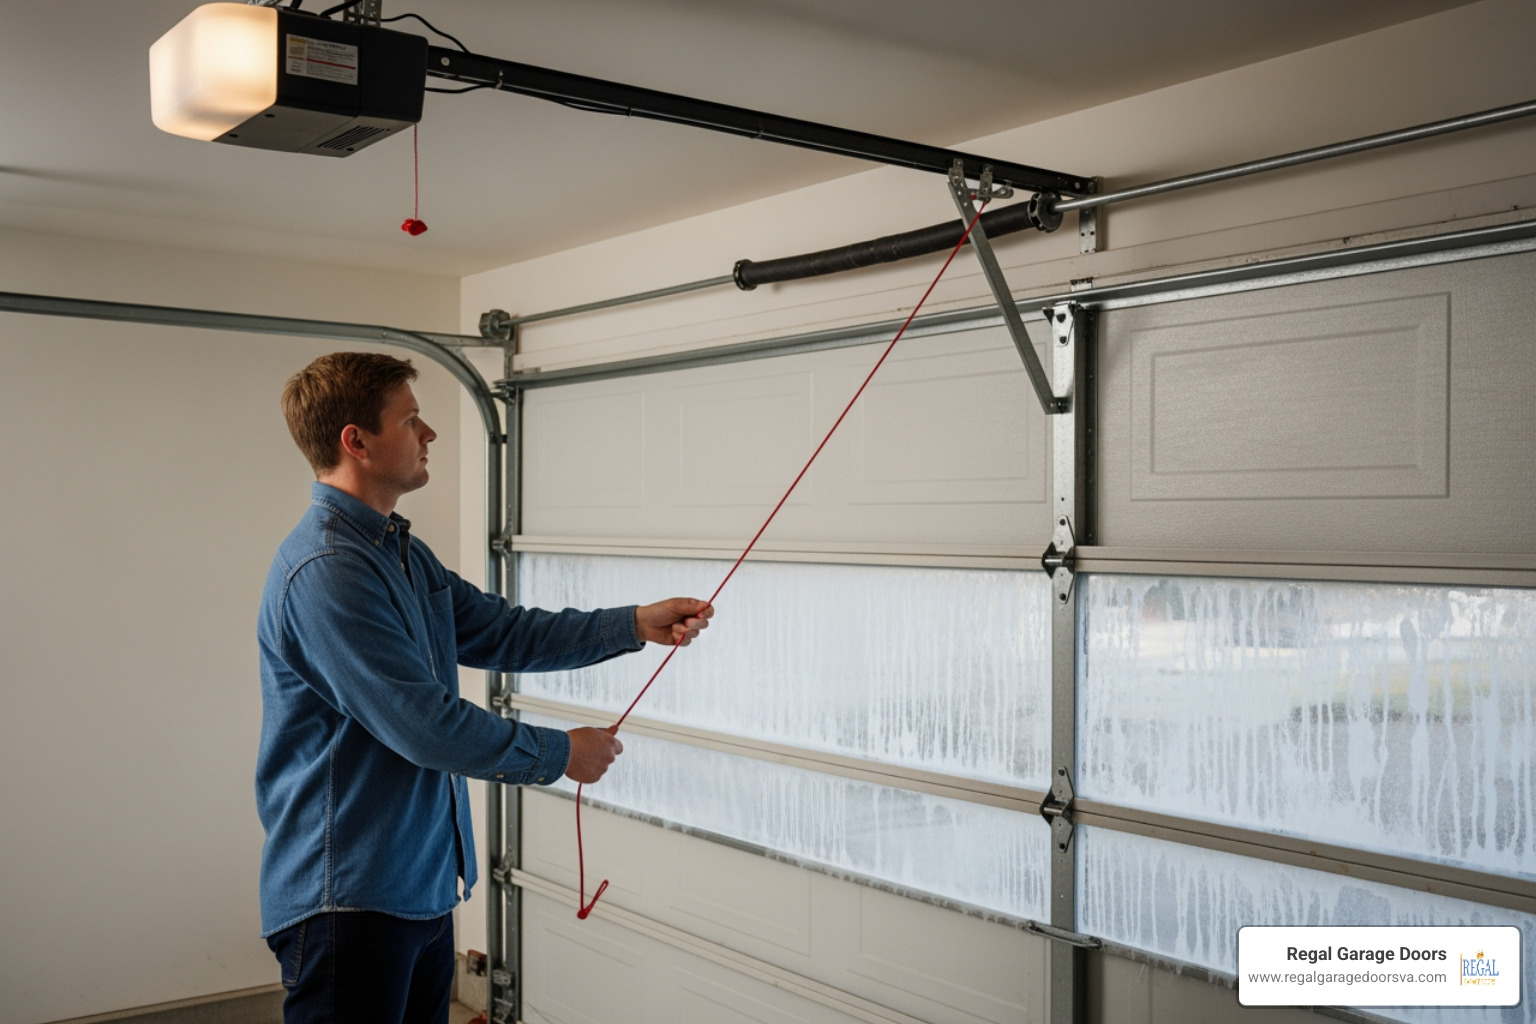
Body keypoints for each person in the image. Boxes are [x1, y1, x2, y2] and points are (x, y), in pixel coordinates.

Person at [256, 352, 712, 1024]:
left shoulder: (396, 552)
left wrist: (633, 624)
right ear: (357, 441)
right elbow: (425, 726)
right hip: (350, 901)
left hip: (420, 887)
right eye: (411, 420)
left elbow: (504, 632)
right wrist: (561, 755)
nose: (429, 433)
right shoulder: (329, 570)